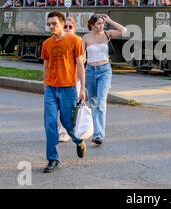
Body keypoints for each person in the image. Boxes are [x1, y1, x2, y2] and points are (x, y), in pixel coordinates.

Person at [41, 11, 87, 173]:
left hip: (69, 89)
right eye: (49, 24)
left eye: (54, 24)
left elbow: (80, 65)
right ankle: (53, 159)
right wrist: (45, 85)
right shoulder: (47, 44)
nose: (51, 27)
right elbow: (45, 65)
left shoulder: (75, 41)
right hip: (51, 89)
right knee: (50, 124)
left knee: (68, 124)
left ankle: (78, 140)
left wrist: (82, 89)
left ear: (62, 24)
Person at [83, 14, 127, 145]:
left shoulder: (107, 34)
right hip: (90, 71)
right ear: (92, 25)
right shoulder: (85, 37)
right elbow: (80, 55)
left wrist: (110, 20)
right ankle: (94, 129)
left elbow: (124, 31)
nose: (101, 25)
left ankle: (98, 135)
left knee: (101, 102)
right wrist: (82, 61)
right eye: (99, 24)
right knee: (92, 101)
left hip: (105, 71)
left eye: (103, 23)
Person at [58, 16, 79, 143]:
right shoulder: (57, 41)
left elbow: (83, 65)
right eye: (65, 26)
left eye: (70, 27)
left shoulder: (79, 42)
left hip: (75, 81)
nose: (67, 29)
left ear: (74, 28)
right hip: (61, 80)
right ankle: (63, 132)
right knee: (63, 107)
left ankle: (73, 129)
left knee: (73, 108)